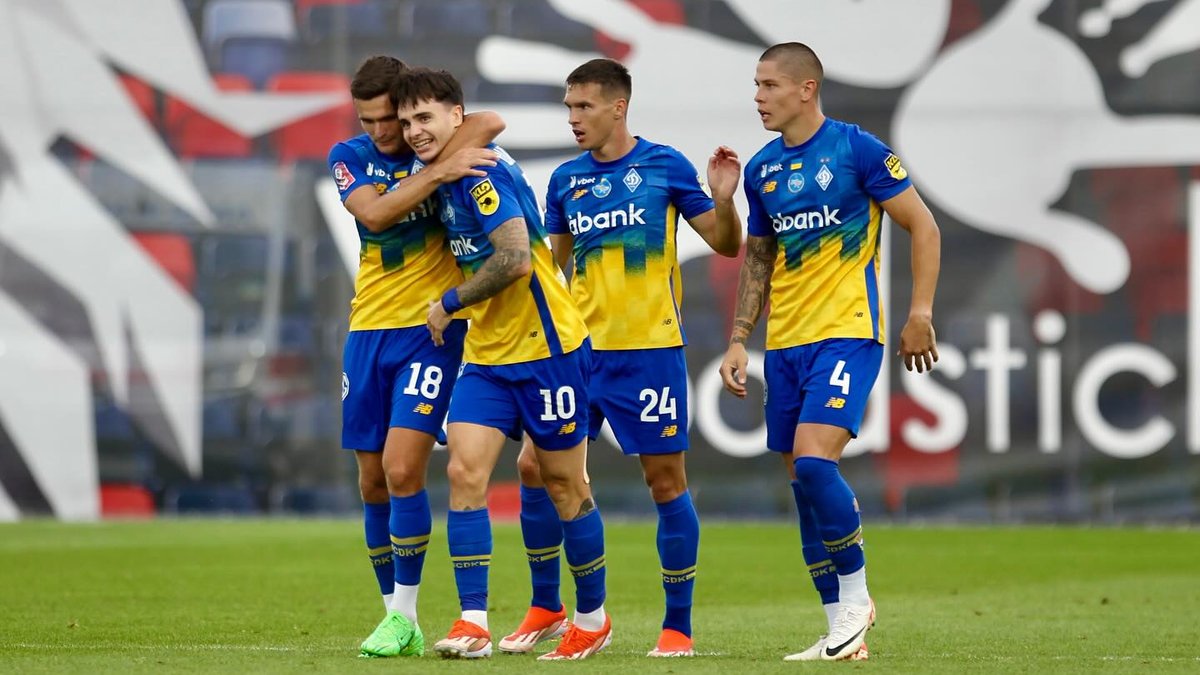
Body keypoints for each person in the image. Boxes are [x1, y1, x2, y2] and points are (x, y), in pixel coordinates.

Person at [500, 58, 742, 659]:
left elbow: (726, 243)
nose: (573, 118)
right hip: (578, 354)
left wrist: (723, 200)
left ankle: (678, 627)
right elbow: (555, 269)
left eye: (584, 106)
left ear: (618, 107)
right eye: (568, 107)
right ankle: (547, 606)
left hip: (648, 353)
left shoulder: (665, 166)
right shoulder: (565, 180)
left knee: (665, 482)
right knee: (533, 467)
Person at [718, 42, 941, 662]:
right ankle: (839, 631)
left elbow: (923, 225)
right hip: (785, 343)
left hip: (847, 331)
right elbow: (759, 257)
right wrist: (739, 338)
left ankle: (858, 600)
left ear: (805, 89)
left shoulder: (856, 149)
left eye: (768, 85)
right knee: (803, 487)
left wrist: (920, 312)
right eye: (756, 85)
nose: (758, 97)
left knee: (816, 465)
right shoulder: (762, 170)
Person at [392, 67, 613, 662]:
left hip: (549, 351)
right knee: (464, 473)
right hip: (488, 356)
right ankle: (472, 622)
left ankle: (592, 619)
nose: (414, 131)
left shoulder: (480, 172)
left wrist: (448, 303)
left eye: (425, 118)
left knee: (565, 485)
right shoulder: (440, 171)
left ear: (455, 116)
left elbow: (516, 260)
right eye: (406, 122)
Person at [328, 55, 504, 659]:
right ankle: (395, 619)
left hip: (430, 332)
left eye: (390, 118)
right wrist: (441, 171)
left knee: (403, 468)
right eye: (369, 120)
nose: (382, 131)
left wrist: (445, 157)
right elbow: (375, 213)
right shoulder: (348, 157)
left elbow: (490, 121)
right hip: (367, 330)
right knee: (372, 479)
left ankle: (405, 612)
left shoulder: (430, 142)